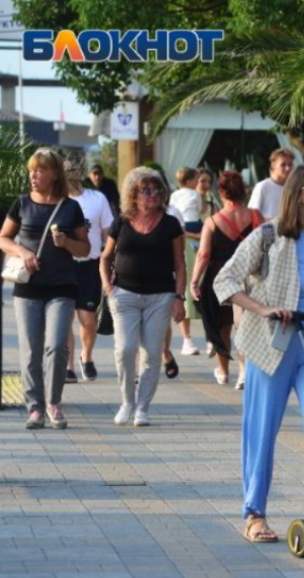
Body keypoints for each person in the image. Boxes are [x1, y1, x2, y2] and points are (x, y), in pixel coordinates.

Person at [213, 164, 304, 543]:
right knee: (262, 431)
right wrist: (260, 309)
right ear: (298, 193)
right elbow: (224, 280)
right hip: (271, 345)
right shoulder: (268, 235)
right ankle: (254, 513)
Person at [0, 148, 90, 430]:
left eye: (39, 170)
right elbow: (3, 238)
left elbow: (85, 248)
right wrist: (22, 252)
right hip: (28, 289)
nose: (33, 175)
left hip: (61, 287)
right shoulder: (23, 203)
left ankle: (53, 403)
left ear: (54, 174)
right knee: (30, 350)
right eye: (31, 170)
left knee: (56, 346)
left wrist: (66, 243)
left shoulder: (70, 207)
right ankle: (35, 407)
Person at [100, 167, 186, 428]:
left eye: (157, 189)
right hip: (124, 294)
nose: (152, 195)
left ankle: (142, 408)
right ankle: (127, 400)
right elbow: (105, 258)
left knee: (151, 354)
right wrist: (107, 288)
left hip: (160, 297)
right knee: (124, 349)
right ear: (133, 194)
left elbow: (180, 263)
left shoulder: (170, 223)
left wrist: (179, 297)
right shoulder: (122, 221)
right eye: (145, 190)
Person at [191, 171, 262, 388]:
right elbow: (265, 247)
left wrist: (194, 281)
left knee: (222, 325)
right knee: (243, 325)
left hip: (219, 277)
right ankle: (243, 372)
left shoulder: (212, 221)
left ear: (221, 192)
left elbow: (203, 255)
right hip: (248, 276)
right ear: (243, 191)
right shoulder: (256, 216)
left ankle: (223, 372)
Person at [63, 158, 114, 384]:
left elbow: (107, 235)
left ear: (81, 172)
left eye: (73, 169)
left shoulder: (97, 198)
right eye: (65, 170)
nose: (69, 174)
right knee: (63, 319)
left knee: (88, 321)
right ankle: (68, 366)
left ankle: (87, 356)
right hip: (63, 266)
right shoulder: (57, 199)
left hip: (90, 266)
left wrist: (112, 264)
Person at [170, 167, 204, 356]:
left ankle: (188, 339)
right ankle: (191, 338)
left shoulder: (174, 196)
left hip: (183, 235)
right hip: (193, 231)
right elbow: (199, 210)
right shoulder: (195, 195)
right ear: (191, 180)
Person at [248, 148, 296, 221]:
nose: (288, 168)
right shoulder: (262, 186)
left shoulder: (295, 186)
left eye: (290, 164)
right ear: (273, 165)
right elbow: (252, 214)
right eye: (283, 165)